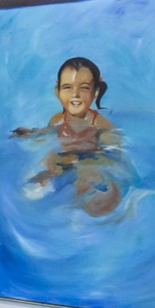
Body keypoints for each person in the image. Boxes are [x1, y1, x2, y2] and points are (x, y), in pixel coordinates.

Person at [12, 56, 122, 216]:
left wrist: (74, 158)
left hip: (90, 173)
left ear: (96, 91)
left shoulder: (101, 125)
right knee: (28, 190)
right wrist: (30, 133)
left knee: (97, 204)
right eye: (67, 87)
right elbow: (47, 134)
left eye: (84, 88)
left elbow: (113, 157)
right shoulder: (57, 120)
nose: (75, 94)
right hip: (62, 170)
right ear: (58, 92)